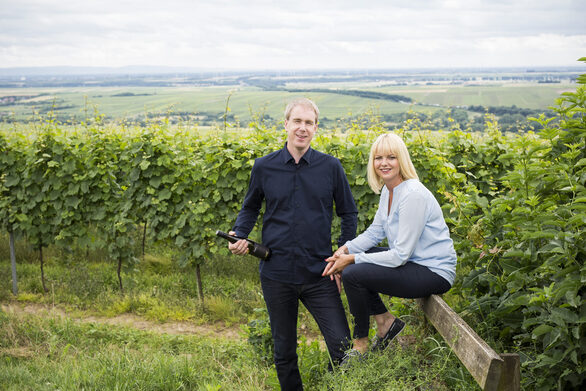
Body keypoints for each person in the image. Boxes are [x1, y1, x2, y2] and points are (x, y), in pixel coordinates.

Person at [228, 98, 358, 390]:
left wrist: (342, 254)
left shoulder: (331, 167)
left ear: (315, 128)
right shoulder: (264, 167)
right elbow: (250, 208)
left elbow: (348, 213)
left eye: (308, 123)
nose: (302, 128)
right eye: (297, 121)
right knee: (284, 351)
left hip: (319, 274)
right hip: (276, 274)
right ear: (286, 124)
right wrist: (239, 234)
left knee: (342, 346)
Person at [322, 132, 457, 360]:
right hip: (414, 263)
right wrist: (344, 250)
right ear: (372, 163)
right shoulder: (389, 190)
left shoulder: (412, 194)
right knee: (351, 264)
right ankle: (386, 322)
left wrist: (353, 259)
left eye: (391, 157)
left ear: (401, 160)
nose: (384, 163)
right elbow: (376, 232)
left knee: (353, 271)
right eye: (378, 158)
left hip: (433, 271)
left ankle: (360, 344)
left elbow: (400, 256)